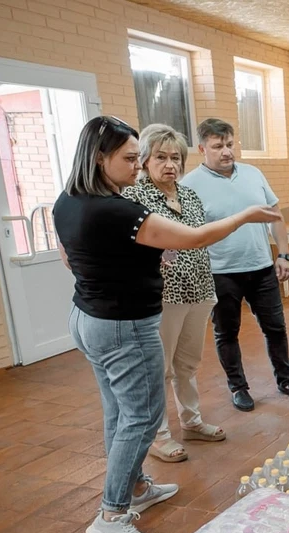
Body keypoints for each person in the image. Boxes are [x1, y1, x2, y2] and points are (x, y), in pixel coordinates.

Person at [54, 115, 281, 533]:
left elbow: (72, 256)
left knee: (118, 411)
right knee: (140, 416)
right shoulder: (118, 209)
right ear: (100, 159)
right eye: (129, 158)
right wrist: (247, 216)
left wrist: (114, 271)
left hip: (88, 316)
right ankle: (112, 513)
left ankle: (136, 485)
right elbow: (195, 238)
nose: (137, 166)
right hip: (123, 326)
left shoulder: (68, 200)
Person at [182, 118, 289, 412]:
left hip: (261, 268)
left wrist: (282, 254)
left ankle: (286, 380)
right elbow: (190, 233)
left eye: (230, 144)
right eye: (218, 146)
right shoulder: (189, 185)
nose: (226, 151)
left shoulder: (253, 174)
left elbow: (274, 215)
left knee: (275, 328)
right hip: (220, 272)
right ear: (202, 148)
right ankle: (238, 387)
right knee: (226, 332)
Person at [122, 124, 224, 463]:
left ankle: (191, 422)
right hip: (163, 296)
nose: (170, 164)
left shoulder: (190, 195)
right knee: (160, 369)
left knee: (188, 363)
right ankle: (159, 435)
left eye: (176, 158)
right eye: (162, 157)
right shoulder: (134, 197)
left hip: (199, 289)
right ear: (145, 160)